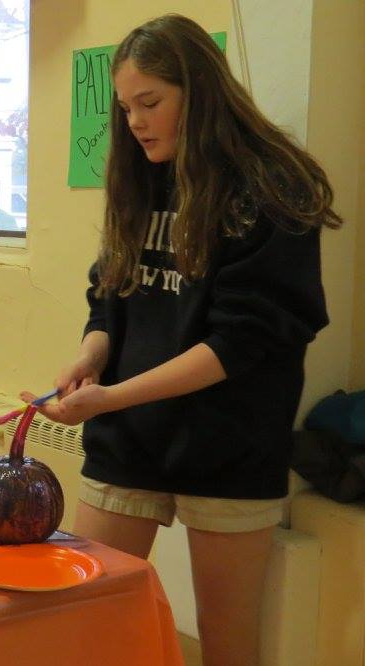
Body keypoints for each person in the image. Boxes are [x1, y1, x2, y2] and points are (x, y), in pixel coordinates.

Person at [26, 15, 342, 666]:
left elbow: (240, 344)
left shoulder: (272, 188)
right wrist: (91, 354)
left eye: (151, 103)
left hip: (229, 443)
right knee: (91, 621)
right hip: (130, 442)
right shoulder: (142, 173)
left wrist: (110, 399)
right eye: (126, 107)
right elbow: (109, 296)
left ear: (200, 93)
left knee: (228, 642)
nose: (136, 122)